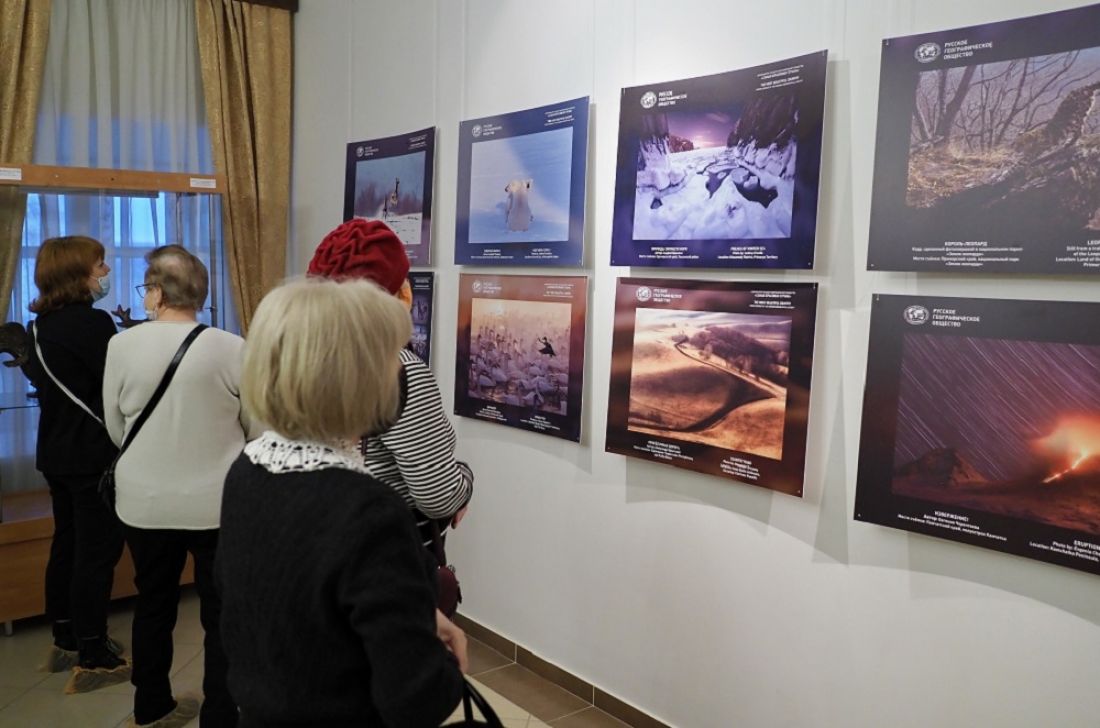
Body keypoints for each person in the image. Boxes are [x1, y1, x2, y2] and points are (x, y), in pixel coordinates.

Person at [218, 276, 467, 726]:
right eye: (390, 358)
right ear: (358, 379)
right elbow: (416, 698)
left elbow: (291, 609)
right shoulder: (369, 509)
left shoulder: (249, 470)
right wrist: (441, 664)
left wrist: (413, 616)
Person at [102, 245, 253, 727]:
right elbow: (255, 427)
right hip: (216, 503)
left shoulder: (121, 346)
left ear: (158, 292)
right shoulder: (232, 347)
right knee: (220, 612)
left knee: (153, 603)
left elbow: (115, 427)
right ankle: (220, 714)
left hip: (143, 502)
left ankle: (151, 705)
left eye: (146, 288)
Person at [307, 219, 473, 558]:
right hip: (385, 556)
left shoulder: (304, 356)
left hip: (319, 543)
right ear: (402, 295)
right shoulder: (398, 369)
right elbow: (438, 496)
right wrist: (466, 481)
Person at [22, 235, 128, 690]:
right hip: (92, 454)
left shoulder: (39, 326)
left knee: (65, 544)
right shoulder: (93, 323)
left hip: (55, 452)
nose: (105, 272)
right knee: (96, 552)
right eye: (99, 264)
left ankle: (65, 637)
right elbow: (116, 384)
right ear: (77, 272)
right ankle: (94, 652)